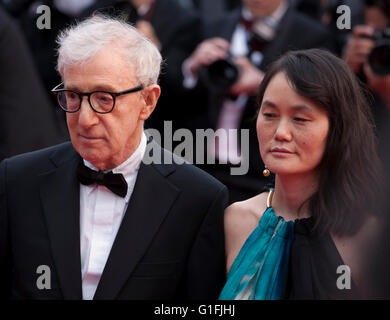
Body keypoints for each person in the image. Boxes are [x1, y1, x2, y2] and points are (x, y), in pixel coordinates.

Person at [0, 15, 228, 300]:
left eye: (104, 98)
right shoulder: (17, 180)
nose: (84, 119)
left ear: (147, 101)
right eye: (72, 96)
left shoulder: (198, 198)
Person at [219, 48, 384, 299]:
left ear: (338, 129)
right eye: (270, 115)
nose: (281, 133)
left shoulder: (369, 237)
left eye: (300, 119)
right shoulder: (235, 219)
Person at [182, 0, 336, 203]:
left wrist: (263, 84)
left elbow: (322, 101)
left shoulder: (313, 35)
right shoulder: (212, 25)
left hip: (264, 172)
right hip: (204, 165)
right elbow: (177, 101)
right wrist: (191, 67)